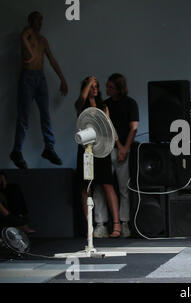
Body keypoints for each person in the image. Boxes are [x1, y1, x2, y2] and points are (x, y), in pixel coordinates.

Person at [10, 11, 68, 169]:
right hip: (27, 78)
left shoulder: (43, 40)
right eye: (37, 19)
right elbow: (23, 37)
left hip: (40, 79)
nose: (40, 23)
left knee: (46, 115)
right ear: (31, 21)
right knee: (24, 117)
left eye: (41, 20)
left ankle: (49, 148)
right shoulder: (28, 33)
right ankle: (17, 151)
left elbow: (52, 60)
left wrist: (62, 79)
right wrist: (30, 53)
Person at [92, 73, 139, 238]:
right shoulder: (105, 104)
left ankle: (124, 223)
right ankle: (101, 223)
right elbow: (107, 128)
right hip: (106, 149)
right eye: (106, 86)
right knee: (100, 186)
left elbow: (133, 128)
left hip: (123, 149)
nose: (107, 90)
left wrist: (124, 148)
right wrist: (119, 147)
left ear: (119, 88)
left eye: (110, 87)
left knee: (124, 188)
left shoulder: (130, 103)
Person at [75, 76, 121, 238]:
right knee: (85, 187)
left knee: (107, 184)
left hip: (102, 149)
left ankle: (116, 225)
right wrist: (87, 83)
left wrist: (117, 146)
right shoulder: (81, 106)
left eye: (96, 86)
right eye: (91, 86)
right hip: (86, 149)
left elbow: (109, 127)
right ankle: (89, 227)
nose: (95, 89)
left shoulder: (103, 106)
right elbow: (80, 100)